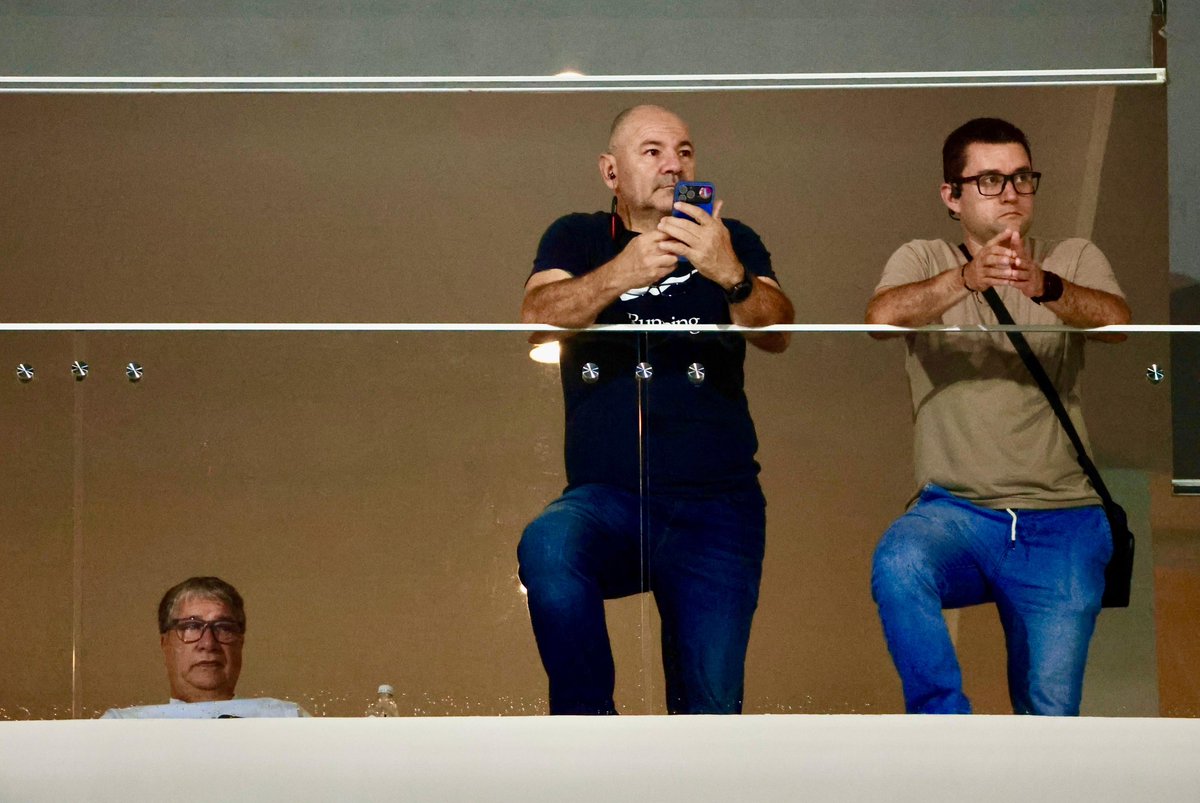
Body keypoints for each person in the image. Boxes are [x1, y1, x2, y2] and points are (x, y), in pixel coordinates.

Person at [517, 104, 795, 715]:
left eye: (685, 151)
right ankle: (591, 731)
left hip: (718, 507)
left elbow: (777, 331)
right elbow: (537, 320)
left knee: (710, 711)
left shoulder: (731, 239)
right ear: (611, 172)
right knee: (549, 544)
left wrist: (732, 275)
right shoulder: (578, 235)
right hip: (611, 497)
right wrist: (622, 270)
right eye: (653, 152)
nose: (675, 163)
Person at [865, 117, 1131, 715]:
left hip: (1062, 518)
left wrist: (1046, 286)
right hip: (956, 513)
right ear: (951, 197)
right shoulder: (924, 255)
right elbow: (881, 318)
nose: (1011, 191)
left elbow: (1119, 323)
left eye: (1021, 177)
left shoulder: (1070, 255)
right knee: (899, 563)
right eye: (989, 179)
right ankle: (946, 731)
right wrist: (965, 277)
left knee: (1051, 714)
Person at [102, 576, 308, 718]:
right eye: (191, 626)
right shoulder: (121, 729)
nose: (208, 643)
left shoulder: (287, 720)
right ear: (165, 643)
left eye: (223, 627)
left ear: (240, 642)